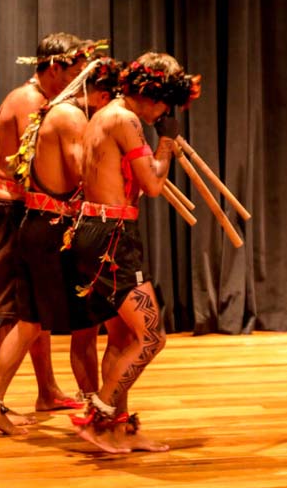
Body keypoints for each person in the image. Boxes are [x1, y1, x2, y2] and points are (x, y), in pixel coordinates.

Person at [67, 52, 201, 453]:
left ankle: (121, 428)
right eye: (162, 102)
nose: (162, 110)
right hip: (113, 236)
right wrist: (165, 143)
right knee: (151, 337)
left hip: (94, 230)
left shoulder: (103, 115)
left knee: (122, 337)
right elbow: (155, 185)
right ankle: (100, 415)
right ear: (149, 93)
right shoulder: (125, 121)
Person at [0, 34, 99, 433]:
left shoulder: (48, 102)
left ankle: (47, 390)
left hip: (19, 209)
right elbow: (37, 168)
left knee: (32, 311)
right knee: (16, 312)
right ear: (54, 67)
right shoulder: (30, 102)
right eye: (74, 75)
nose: (77, 86)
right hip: (8, 210)